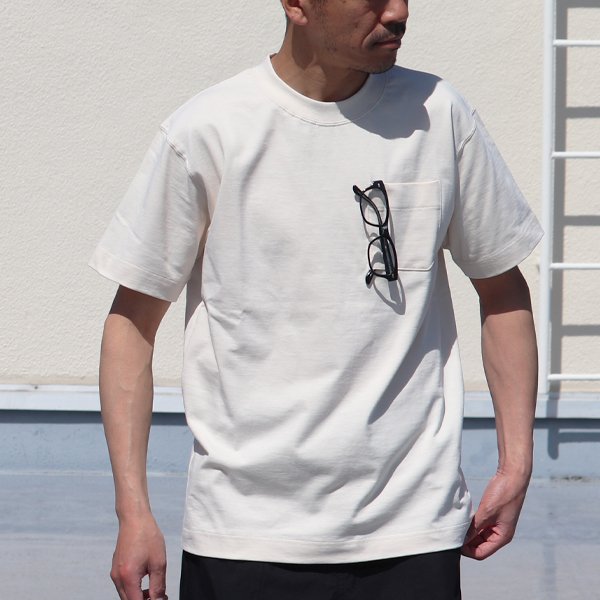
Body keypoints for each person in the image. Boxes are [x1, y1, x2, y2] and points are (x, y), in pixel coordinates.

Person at [90, 1, 543, 598]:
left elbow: (501, 289)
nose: (399, 11)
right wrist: (133, 512)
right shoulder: (208, 131)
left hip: (411, 527)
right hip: (244, 533)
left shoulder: (439, 115)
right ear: (297, 4)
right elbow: (132, 325)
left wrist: (516, 462)